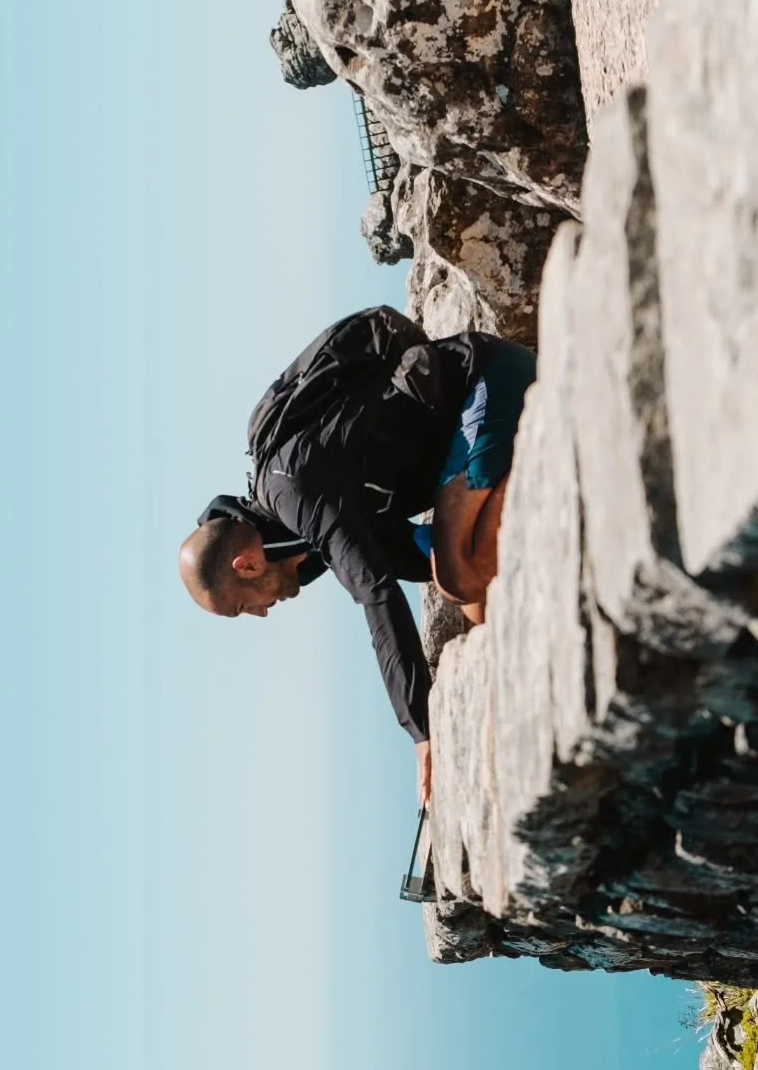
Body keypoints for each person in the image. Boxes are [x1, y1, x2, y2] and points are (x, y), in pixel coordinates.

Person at [179, 306, 537, 806]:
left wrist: (422, 729)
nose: (260, 613)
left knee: (456, 573)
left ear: (247, 565)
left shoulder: (294, 494)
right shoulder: (302, 535)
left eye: (244, 606)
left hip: (488, 380)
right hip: (467, 423)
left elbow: (375, 592)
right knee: (461, 585)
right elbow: (404, 560)